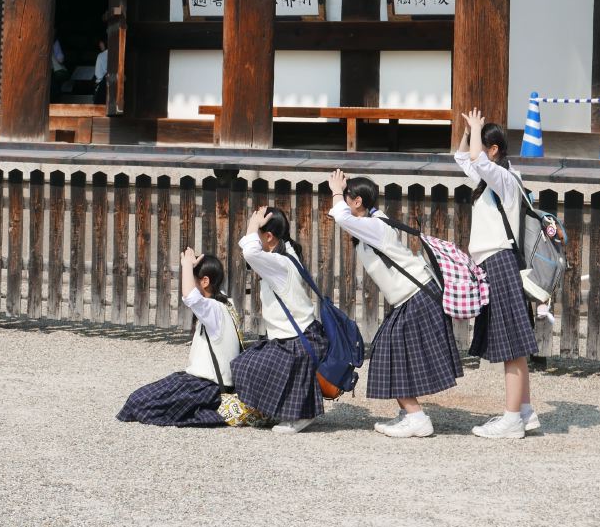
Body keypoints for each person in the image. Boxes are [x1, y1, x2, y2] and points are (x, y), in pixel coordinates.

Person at [326, 169, 463, 438]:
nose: (343, 201)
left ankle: (416, 417)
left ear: (357, 202)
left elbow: (340, 218)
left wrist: (336, 191)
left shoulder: (374, 224)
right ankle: (410, 413)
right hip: (413, 295)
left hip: (417, 295)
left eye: (348, 198)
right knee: (393, 352)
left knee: (389, 350)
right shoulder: (373, 222)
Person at [455, 108, 540, 439]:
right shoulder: (490, 179)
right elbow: (464, 158)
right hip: (494, 261)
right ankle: (526, 412)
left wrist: (477, 131)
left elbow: (476, 160)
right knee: (513, 342)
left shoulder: (505, 179)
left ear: (493, 150)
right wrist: (468, 131)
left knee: (511, 345)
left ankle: (511, 420)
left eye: (481, 142)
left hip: (501, 259)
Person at [117, 248, 251, 427]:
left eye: (193, 279)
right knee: (140, 400)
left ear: (205, 281)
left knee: (137, 402)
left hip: (204, 387)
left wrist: (188, 265)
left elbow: (190, 297)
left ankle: (209, 410)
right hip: (210, 385)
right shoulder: (226, 303)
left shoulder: (213, 309)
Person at [230, 206, 328, 434]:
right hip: (302, 335)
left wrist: (253, 226)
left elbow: (250, 253)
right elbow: (251, 250)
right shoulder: (288, 251)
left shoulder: (279, 262)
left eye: (257, 233)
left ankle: (300, 415)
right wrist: (255, 228)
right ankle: (290, 410)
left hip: (296, 340)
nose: (251, 236)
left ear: (269, 236)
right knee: (250, 362)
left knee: (245, 365)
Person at [92, 38, 109, 106]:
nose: (100, 45)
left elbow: (98, 74)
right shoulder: (116, 53)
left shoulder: (101, 55)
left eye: (101, 43)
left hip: (103, 84)